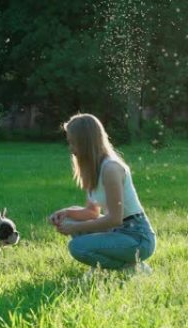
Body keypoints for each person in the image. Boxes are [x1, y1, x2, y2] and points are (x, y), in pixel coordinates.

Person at [49, 113, 156, 275]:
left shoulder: (110, 169)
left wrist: (75, 227)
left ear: (85, 142)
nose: (70, 148)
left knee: (76, 246)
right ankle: (120, 264)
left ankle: (130, 267)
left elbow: (115, 218)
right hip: (117, 231)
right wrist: (66, 213)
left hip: (137, 237)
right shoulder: (93, 169)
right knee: (70, 218)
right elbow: (92, 212)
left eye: (73, 143)